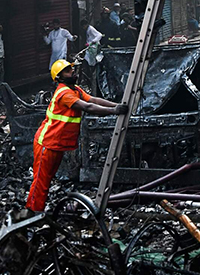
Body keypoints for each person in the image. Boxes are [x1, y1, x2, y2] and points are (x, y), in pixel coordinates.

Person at [25, 59, 128, 214]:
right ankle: (32, 212)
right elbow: (88, 107)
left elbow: (92, 99)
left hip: (56, 144)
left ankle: (38, 211)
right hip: (47, 143)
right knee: (41, 181)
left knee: (46, 179)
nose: (72, 72)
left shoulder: (75, 90)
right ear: (59, 77)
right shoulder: (64, 93)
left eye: (71, 69)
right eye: (67, 71)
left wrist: (115, 105)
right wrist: (114, 112)